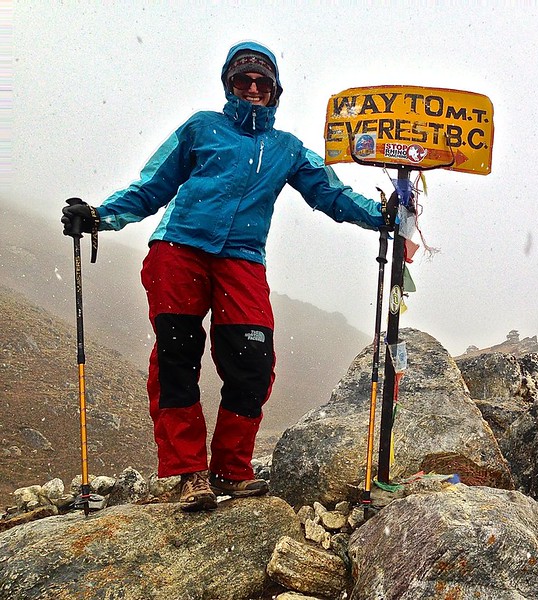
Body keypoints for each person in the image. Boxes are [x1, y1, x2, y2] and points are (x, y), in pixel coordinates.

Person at [62, 41, 388, 512]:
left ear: (276, 91)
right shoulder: (201, 127)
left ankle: (230, 469)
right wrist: (101, 215)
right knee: (176, 356)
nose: (252, 88)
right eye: (242, 80)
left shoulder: (288, 149)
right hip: (179, 248)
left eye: (262, 82)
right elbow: (153, 186)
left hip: (242, 258)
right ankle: (189, 472)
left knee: (253, 363)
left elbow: (330, 194)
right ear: (228, 84)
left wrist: (383, 215)